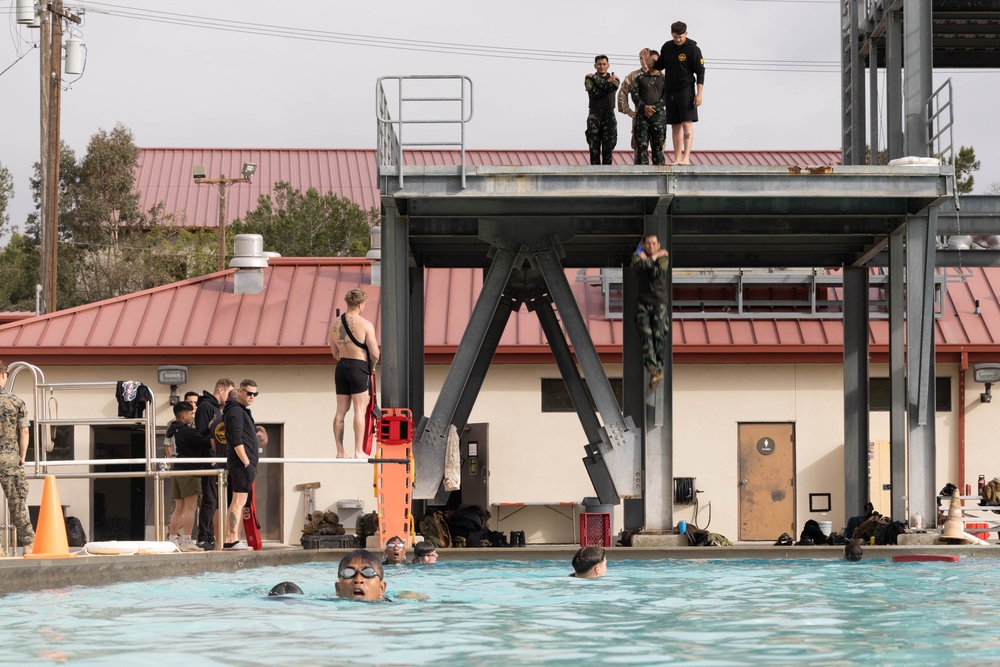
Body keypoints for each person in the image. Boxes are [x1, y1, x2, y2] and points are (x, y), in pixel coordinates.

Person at [643, 21, 705, 165]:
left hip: (687, 90)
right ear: (671, 34)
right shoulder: (667, 47)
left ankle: (686, 158)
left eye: (680, 37)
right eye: (675, 37)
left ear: (686, 34)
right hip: (670, 91)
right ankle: (677, 159)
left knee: (686, 124)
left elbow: (700, 71)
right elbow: (659, 65)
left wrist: (699, 93)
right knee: (675, 125)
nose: (678, 40)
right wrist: (648, 60)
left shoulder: (693, 49)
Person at [329, 288, 380, 459]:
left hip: (341, 365)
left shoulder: (334, 324)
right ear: (360, 304)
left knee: (340, 412)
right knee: (360, 408)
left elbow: (335, 353)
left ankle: (340, 451)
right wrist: (370, 367)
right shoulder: (365, 324)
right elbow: (375, 353)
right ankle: (359, 451)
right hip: (358, 365)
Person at [166, 401, 213, 552]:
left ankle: (173, 540)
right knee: (191, 508)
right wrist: (213, 432)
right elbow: (206, 442)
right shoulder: (185, 431)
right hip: (189, 471)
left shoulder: (174, 430)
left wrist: (207, 428)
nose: (192, 416)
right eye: (191, 414)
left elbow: (198, 437)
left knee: (179, 508)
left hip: (177, 470)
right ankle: (186, 540)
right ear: (184, 414)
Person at [194, 378, 235, 550]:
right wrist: (211, 456)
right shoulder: (206, 407)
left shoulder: (218, 410)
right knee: (210, 500)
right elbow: (204, 435)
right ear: (220, 389)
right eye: (229, 392)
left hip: (220, 462)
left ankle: (214, 536)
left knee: (218, 501)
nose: (230, 396)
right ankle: (204, 536)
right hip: (211, 461)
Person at [0, 360, 34, 555]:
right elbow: (24, 433)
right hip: (9, 460)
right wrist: (21, 456)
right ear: (4, 375)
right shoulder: (16, 402)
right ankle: (28, 545)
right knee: (17, 503)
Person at [223, 379, 261, 550]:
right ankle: (232, 540)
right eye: (249, 393)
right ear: (240, 391)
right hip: (241, 464)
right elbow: (237, 441)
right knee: (238, 501)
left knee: (237, 502)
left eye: (255, 394)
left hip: (241, 463)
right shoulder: (236, 412)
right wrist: (247, 464)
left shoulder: (239, 411)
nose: (252, 396)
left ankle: (233, 538)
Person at [631, 233, 670, 388]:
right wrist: (653, 258)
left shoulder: (663, 259)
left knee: (659, 337)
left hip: (658, 303)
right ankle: (654, 371)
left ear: (658, 245)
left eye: (654, 244)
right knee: (646, 337)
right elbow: (639, 266)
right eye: (648, 243)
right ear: (644, 244)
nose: (651, 246)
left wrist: (647, 259)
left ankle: (658, 369)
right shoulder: (638, 256)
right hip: (643, 304)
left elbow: (655, 273)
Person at [617, 50, 658, 163]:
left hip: (657, 116)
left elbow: (668, 95)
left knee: (658, 147)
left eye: (646, 58)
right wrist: (627, 110)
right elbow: (622, 92)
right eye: (641, 58)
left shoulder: (661, 74)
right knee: (639, 148)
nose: (644, 61)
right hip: (640, 117)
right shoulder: (634, 76)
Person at [630, 54, 667, 165]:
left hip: (659, 117)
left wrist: (654, 108)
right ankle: (642, 179)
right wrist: (644, 107)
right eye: (650, 61)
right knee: (641, 147)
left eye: (655, 61)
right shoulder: (639, 78)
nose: (652, 63)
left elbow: (667, 97)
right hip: (642, 117)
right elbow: (634, 95)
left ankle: (660, 177)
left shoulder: (665, 79)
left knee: (658, 148)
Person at [584, 55, 619, 165]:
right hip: (594, 115)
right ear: (595, 66)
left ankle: (607, 176)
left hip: (609, 115)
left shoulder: (615, 79)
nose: (602, 66)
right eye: (599, 64)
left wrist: (595, 79)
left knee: (608, 147)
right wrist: (607, 83)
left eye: (604, 64)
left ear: (608, 65)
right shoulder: (588, 79)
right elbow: (596, 93)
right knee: (594, 147)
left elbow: (610, 88)